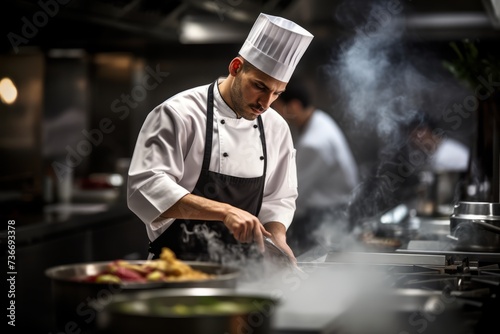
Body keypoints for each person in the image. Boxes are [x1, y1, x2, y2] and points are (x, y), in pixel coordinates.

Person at [127, 13, 314, 263]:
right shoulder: (179, 113)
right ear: (236, 67)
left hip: (246, 273)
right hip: (177, 270)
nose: (266, 103)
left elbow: (279, 197)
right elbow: (144, 188)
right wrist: (225, 212)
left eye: (277, 93)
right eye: (259, 86)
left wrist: (277, 241)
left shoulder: (276, 127)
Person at [272, 78, 360, 255]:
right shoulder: (319, 118)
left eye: (276, 106)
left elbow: (295, 193)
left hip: (325, 218)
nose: (273, 112)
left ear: (294, 106)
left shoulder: (314, 143)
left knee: (310, 264)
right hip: (332, 212)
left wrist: (272, 225)